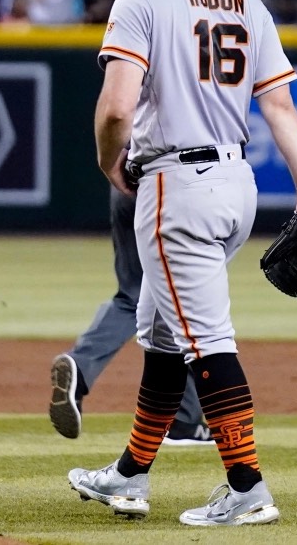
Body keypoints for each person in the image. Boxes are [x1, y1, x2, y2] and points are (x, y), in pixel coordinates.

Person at [66, 0, 297, 526]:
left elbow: (116, 109)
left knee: (206, 342)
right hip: (237, 184)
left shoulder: (141, 2)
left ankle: (247, 488)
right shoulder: (246, 1)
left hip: (177, 187)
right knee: (162, 334)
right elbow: (279, 107)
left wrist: (108, 161)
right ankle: (129, 475)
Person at [48, 187, 211, 446]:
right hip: (178, 190)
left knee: (134, 297)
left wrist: (115, 172)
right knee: (182, 297)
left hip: (127, 186)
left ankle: (185, 420)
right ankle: (184, 421)